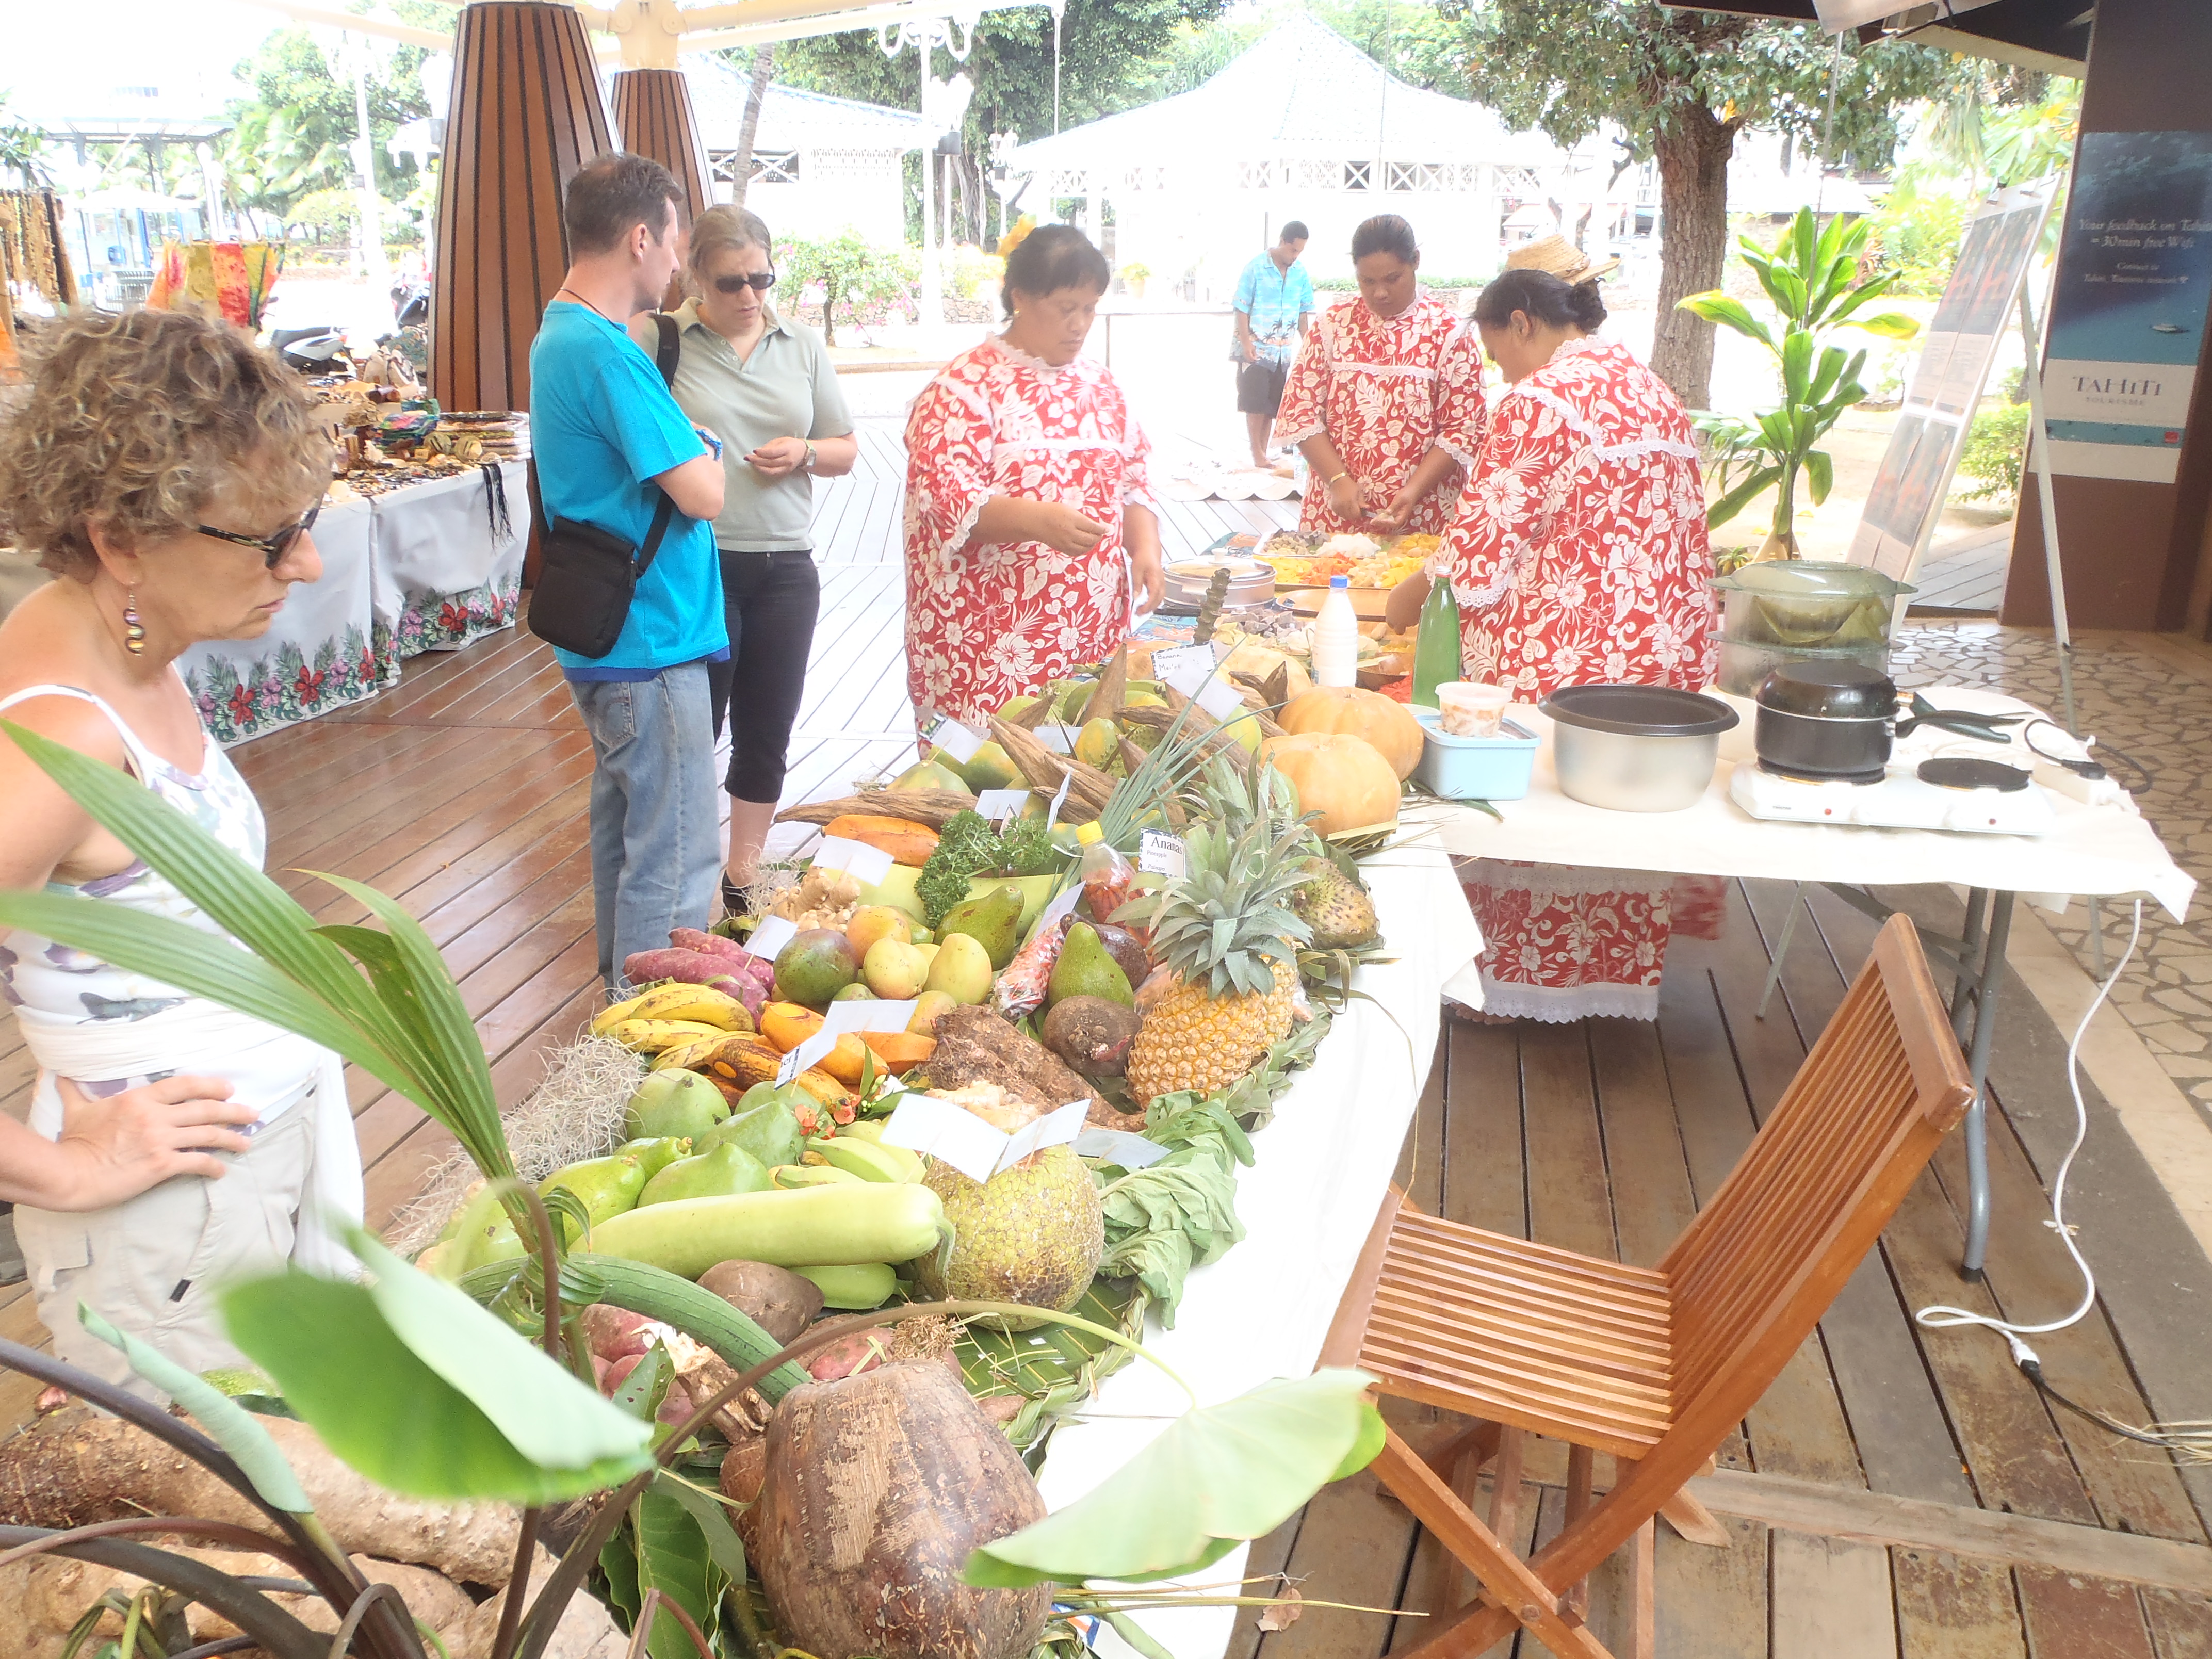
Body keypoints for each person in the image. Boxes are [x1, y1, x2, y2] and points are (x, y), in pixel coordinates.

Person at [0, 307, 362, 1389]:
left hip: (229, 1189)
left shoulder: (123, 650)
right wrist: (59, 1172)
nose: (301, 562)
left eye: (302, 522)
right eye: (264, 536)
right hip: (176, 1240)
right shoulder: (59, 735)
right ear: (121, 538)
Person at [1387, 267, 1718, 1023]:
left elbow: (1476, 553)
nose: (1500, 369)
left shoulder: (1543, 400)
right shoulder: (1648, 387)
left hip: (1568, 652)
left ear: (1521, 323)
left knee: (1537, 815)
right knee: (1609, 826)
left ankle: (1508, 996)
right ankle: (1604, 986)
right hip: (1655, 653)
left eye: (1496, 350)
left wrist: (1402, 603)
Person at [529, 153, 728, 987]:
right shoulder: (607, 354)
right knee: (679, 855)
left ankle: (617, 1032)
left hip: (611, 640)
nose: (678, 264)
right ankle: (647, 1055)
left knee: (628, 841)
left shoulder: (558, 331)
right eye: (675, 242)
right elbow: (704, 489)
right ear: (641, 237)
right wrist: (707, 451)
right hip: (650, 641)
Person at [632, 206, 857, 908]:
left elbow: (845, 448)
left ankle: (743, 876)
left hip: (787, 563)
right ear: (695, 273)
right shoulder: (660, 339)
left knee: (769, 726)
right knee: (698, 728)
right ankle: (687, 872)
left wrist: (805, 452)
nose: (749, 296)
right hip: (699, 561)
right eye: (730, 282)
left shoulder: (801, 345)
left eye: (761, 278)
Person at [902, 223, 1165, 726]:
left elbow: (1133, 476)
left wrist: (1144, 549)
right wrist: (1035, 520)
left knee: (1083, 762)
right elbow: (943, 498)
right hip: (987, 645)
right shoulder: (963, 388)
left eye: (1089, 308)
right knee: (993, 782)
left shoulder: (1101, 386)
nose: (1079, 324)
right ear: (1020, 297)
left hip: (1089, 629)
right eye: (1065, 308)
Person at [1275, 214, 1485, 537]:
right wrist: (1337, 480)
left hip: (1423, 516)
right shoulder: (1332, 327)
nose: (1380, 293)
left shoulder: (1450, 333)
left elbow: (1463, 428)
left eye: (1392, 278)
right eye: (1367, 282)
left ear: (1415, 261)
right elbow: (1299, 412)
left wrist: (1413, 491)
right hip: (1337, 513)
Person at [1231, 221, 1315, 469]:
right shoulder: (1256, 268)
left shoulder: (1299, 273)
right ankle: (1256, 452)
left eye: (1300, 251)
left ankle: (1263, 451)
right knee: (1254, 403)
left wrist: (1309, 344)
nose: (1295, 256)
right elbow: (1241, 307)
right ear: (1283, 241)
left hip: (1282, 350)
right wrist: (1246, 343)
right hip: (1256, 346)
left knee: (1270, 405)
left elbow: (1303, 313)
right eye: (1293, 250)